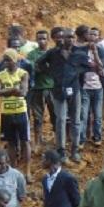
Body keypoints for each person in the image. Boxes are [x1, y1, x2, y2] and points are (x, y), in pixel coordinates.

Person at [36, 28, 87, 162]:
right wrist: (51, 72)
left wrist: (77, 73)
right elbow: (39, 62)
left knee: (76, 120)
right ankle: (61, 150)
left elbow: (88, 66)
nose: (70, 39)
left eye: (72, 37)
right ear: (62, 39)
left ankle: (75, 149)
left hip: (74, 89)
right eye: (68, 37)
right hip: (58, 89)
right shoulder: (53, 53)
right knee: (61, 120)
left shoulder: (79, 53)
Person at [0, 49, 32, 181]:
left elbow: (23, 92)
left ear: (15, 60)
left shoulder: (23, 73)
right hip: (7, 112)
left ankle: (27, 171)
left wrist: (6, 91)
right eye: (4, 60)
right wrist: (13, 89)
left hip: (20, 110)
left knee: (25, 141)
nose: (6, 63)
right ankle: (13, 170)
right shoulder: (0, 75)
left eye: (8, 60)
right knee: (11, 142)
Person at [79, 26, 104, 149]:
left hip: (98, 87)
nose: (92, 37)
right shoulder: (81, 50)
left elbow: (101, 66)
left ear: (98, 38)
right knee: (84, 115)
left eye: (95, 35)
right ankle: (82, 139)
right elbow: (81, 66)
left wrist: (95, 52)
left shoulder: (101, 51)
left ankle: (97, 138)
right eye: (90, 34)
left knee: (98, 115)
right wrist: (93, 67)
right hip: (85, 87)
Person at [27, 30, 56, 147]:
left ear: (48, 39)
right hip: (37, 89)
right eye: (39, 39)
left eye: (44, 39)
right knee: (37, 116)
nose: (42, 41)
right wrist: (45, 67)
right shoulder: (32, 54)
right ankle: (37, 142)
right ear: (36, 40)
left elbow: (54, 68)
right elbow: (32, 68)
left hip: (52, 88)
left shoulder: (52, 52)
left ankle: (57, 140)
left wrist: (41, 66)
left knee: (55, 114)